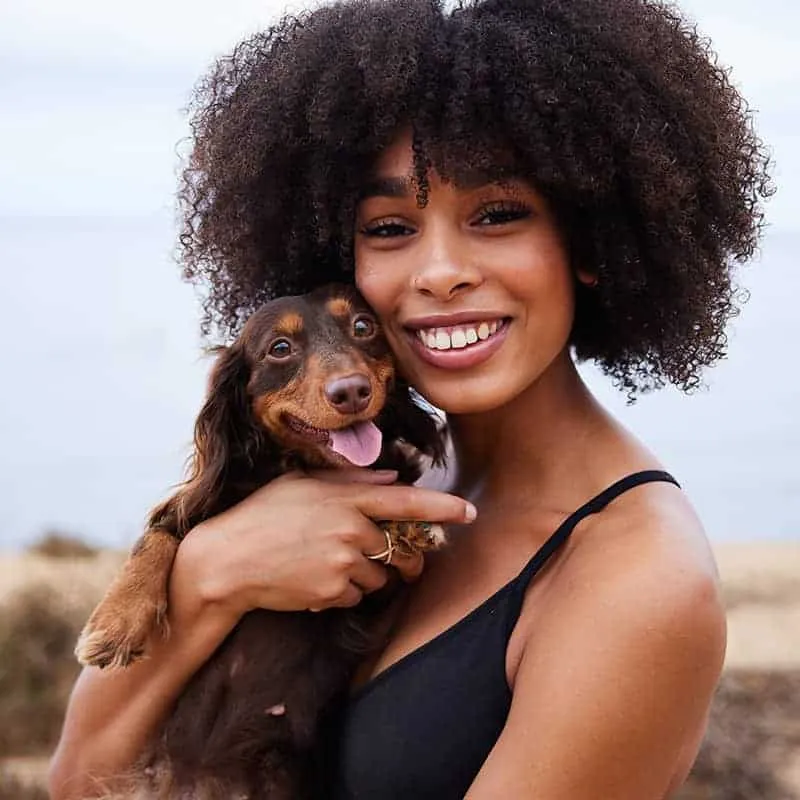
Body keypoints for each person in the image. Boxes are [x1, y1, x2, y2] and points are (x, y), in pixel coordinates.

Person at [49, 0, 772, 797]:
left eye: (497, 215)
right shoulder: (381, 476)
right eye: (389, 227)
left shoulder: (639, 583)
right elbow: (80, 779)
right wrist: (209, 576)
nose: (438, 273)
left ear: (594, 243)